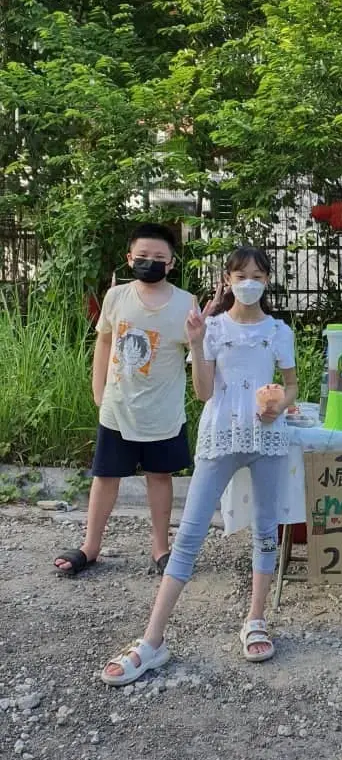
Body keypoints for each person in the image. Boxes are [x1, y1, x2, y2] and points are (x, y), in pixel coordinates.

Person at [101, 245, 298, 683]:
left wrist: (278, 406)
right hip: (219, 436)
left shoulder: (279, 331)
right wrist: (194, 339)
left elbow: (291, 387)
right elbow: (205, 393)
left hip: (266, 439)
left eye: (259, 275)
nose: (250, 282)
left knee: (266, 530)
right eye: (241, 274)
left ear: (267, 282)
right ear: (227, 279)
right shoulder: (210, 328)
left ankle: (256, 619)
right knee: (189, 534)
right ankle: (152, 641)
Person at [54, 223, 196, 578]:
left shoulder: (185, 303)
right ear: (130, 258)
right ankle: (90, 546)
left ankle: (161, 548)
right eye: (143, 256)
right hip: (118, 409)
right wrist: (98, 389)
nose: (151, 262)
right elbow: (104, 341)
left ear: (172, 263)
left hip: (162, 412)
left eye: (159, 257)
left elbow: (196, 353)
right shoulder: (116, 297)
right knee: (105, 477)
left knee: (160, 477)